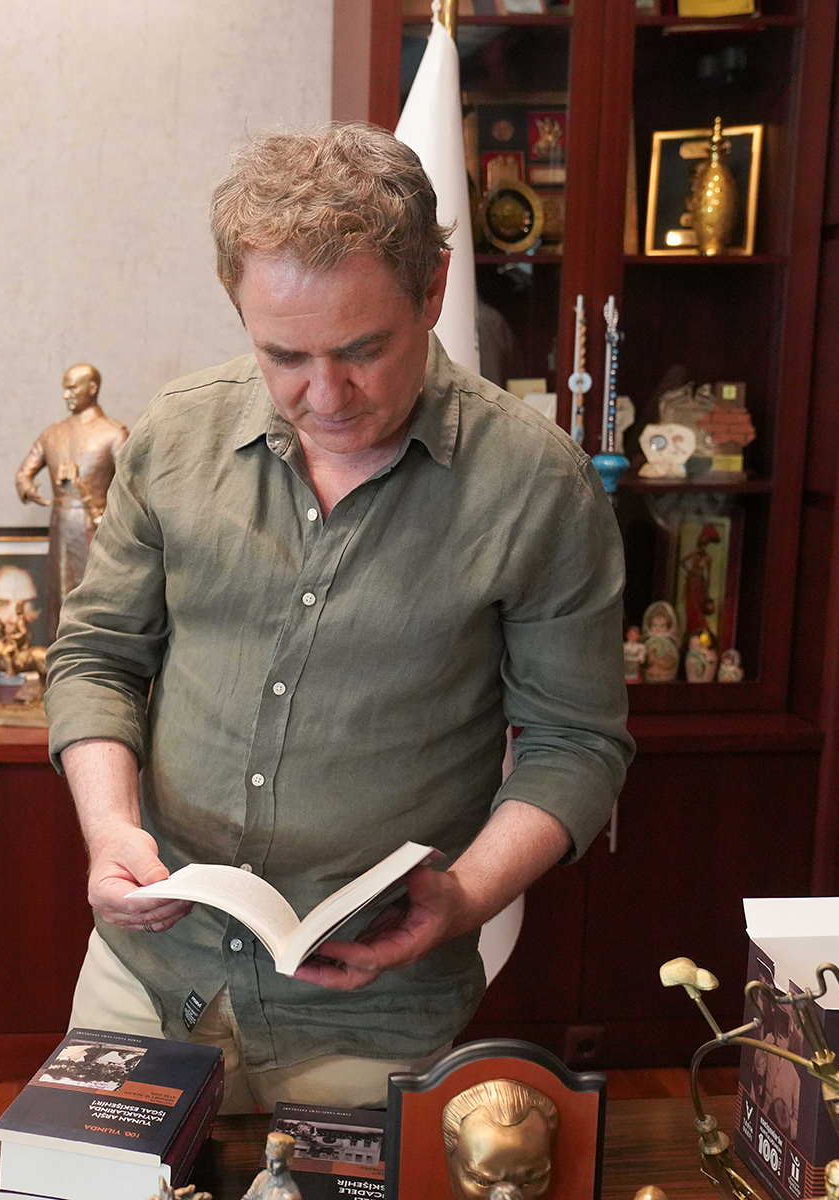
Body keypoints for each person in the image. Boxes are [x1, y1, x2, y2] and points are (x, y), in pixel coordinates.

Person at [44, 124, 631, 1112]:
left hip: (371, 1009)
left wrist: (467, 898)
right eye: (284, 355)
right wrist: (109, 832)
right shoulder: (177, 436)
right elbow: (98, 655)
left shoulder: (538, 487)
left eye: (363, 350)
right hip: (149, 972)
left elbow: (575, 743)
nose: (326, 396)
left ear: (433, 290)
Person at [14, 363, 130, 627]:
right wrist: (28, 488)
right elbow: (23, 473)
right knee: (60, 591)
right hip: (61, 524)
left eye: (72, 388)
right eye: (64, 389)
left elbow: (133, 485)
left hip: (99, 526)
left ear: (93, 387)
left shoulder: (114, 433)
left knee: (96, 593)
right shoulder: (53, 432)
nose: (66, 395)